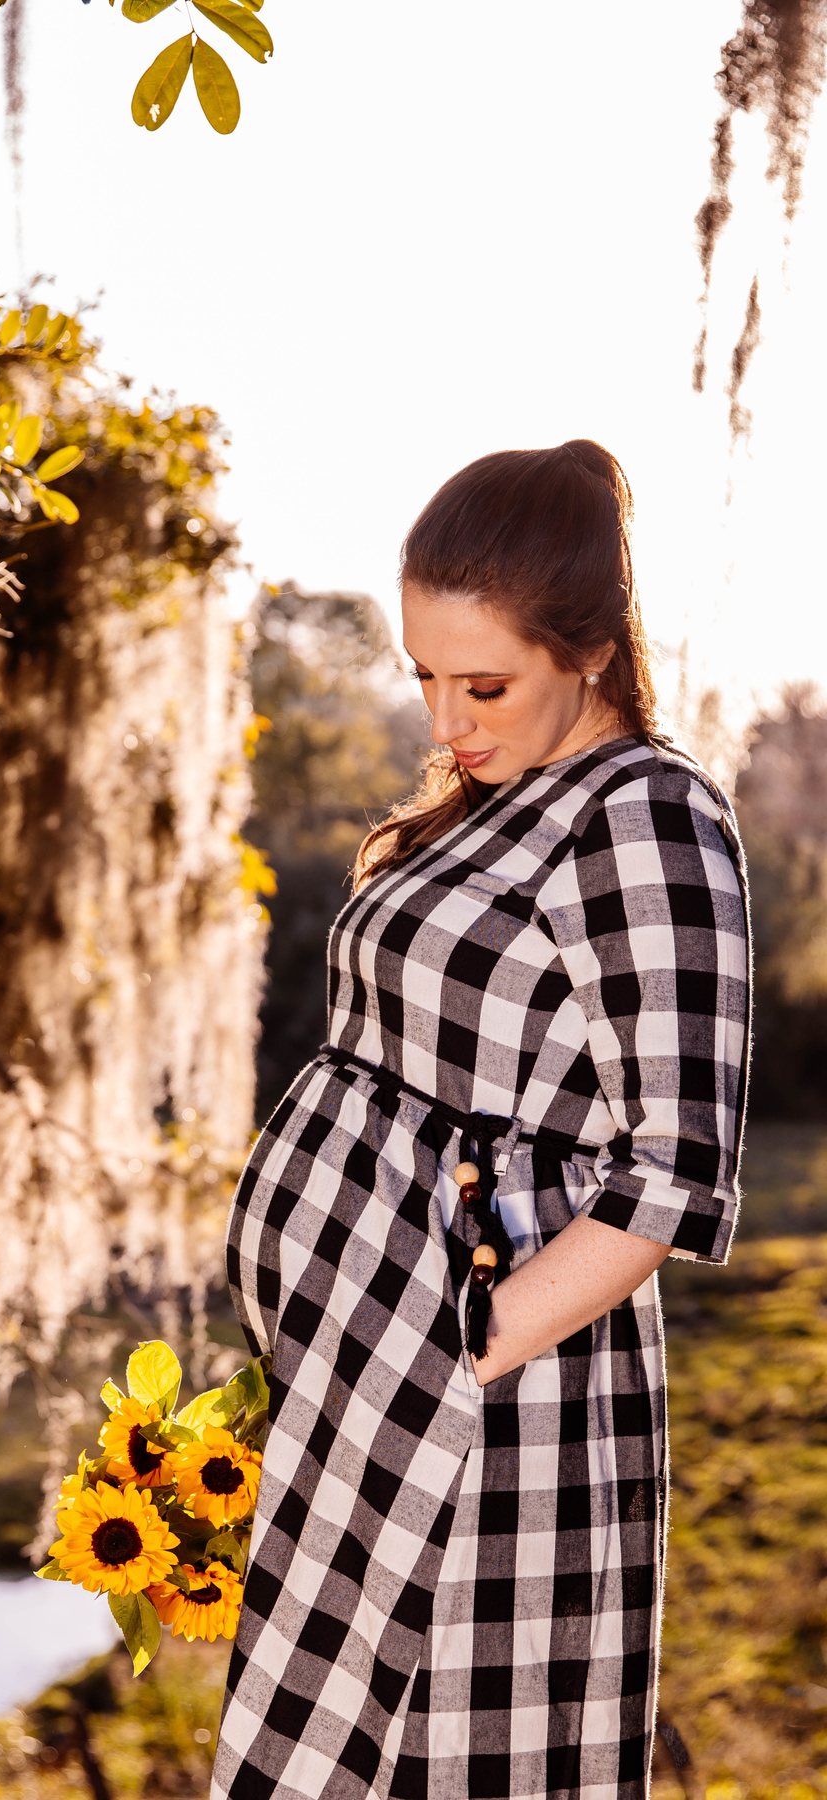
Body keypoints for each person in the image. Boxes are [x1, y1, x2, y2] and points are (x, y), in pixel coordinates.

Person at [214, 441, 750, 1800]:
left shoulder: (648, 818)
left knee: (448, 1762)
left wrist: (450, 1357)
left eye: (485, 683)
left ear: (589, 649)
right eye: (426, 679)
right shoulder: (491, 805)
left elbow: (670, 1176)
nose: (447, 721)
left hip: (492, 1413)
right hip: (373, 1385)